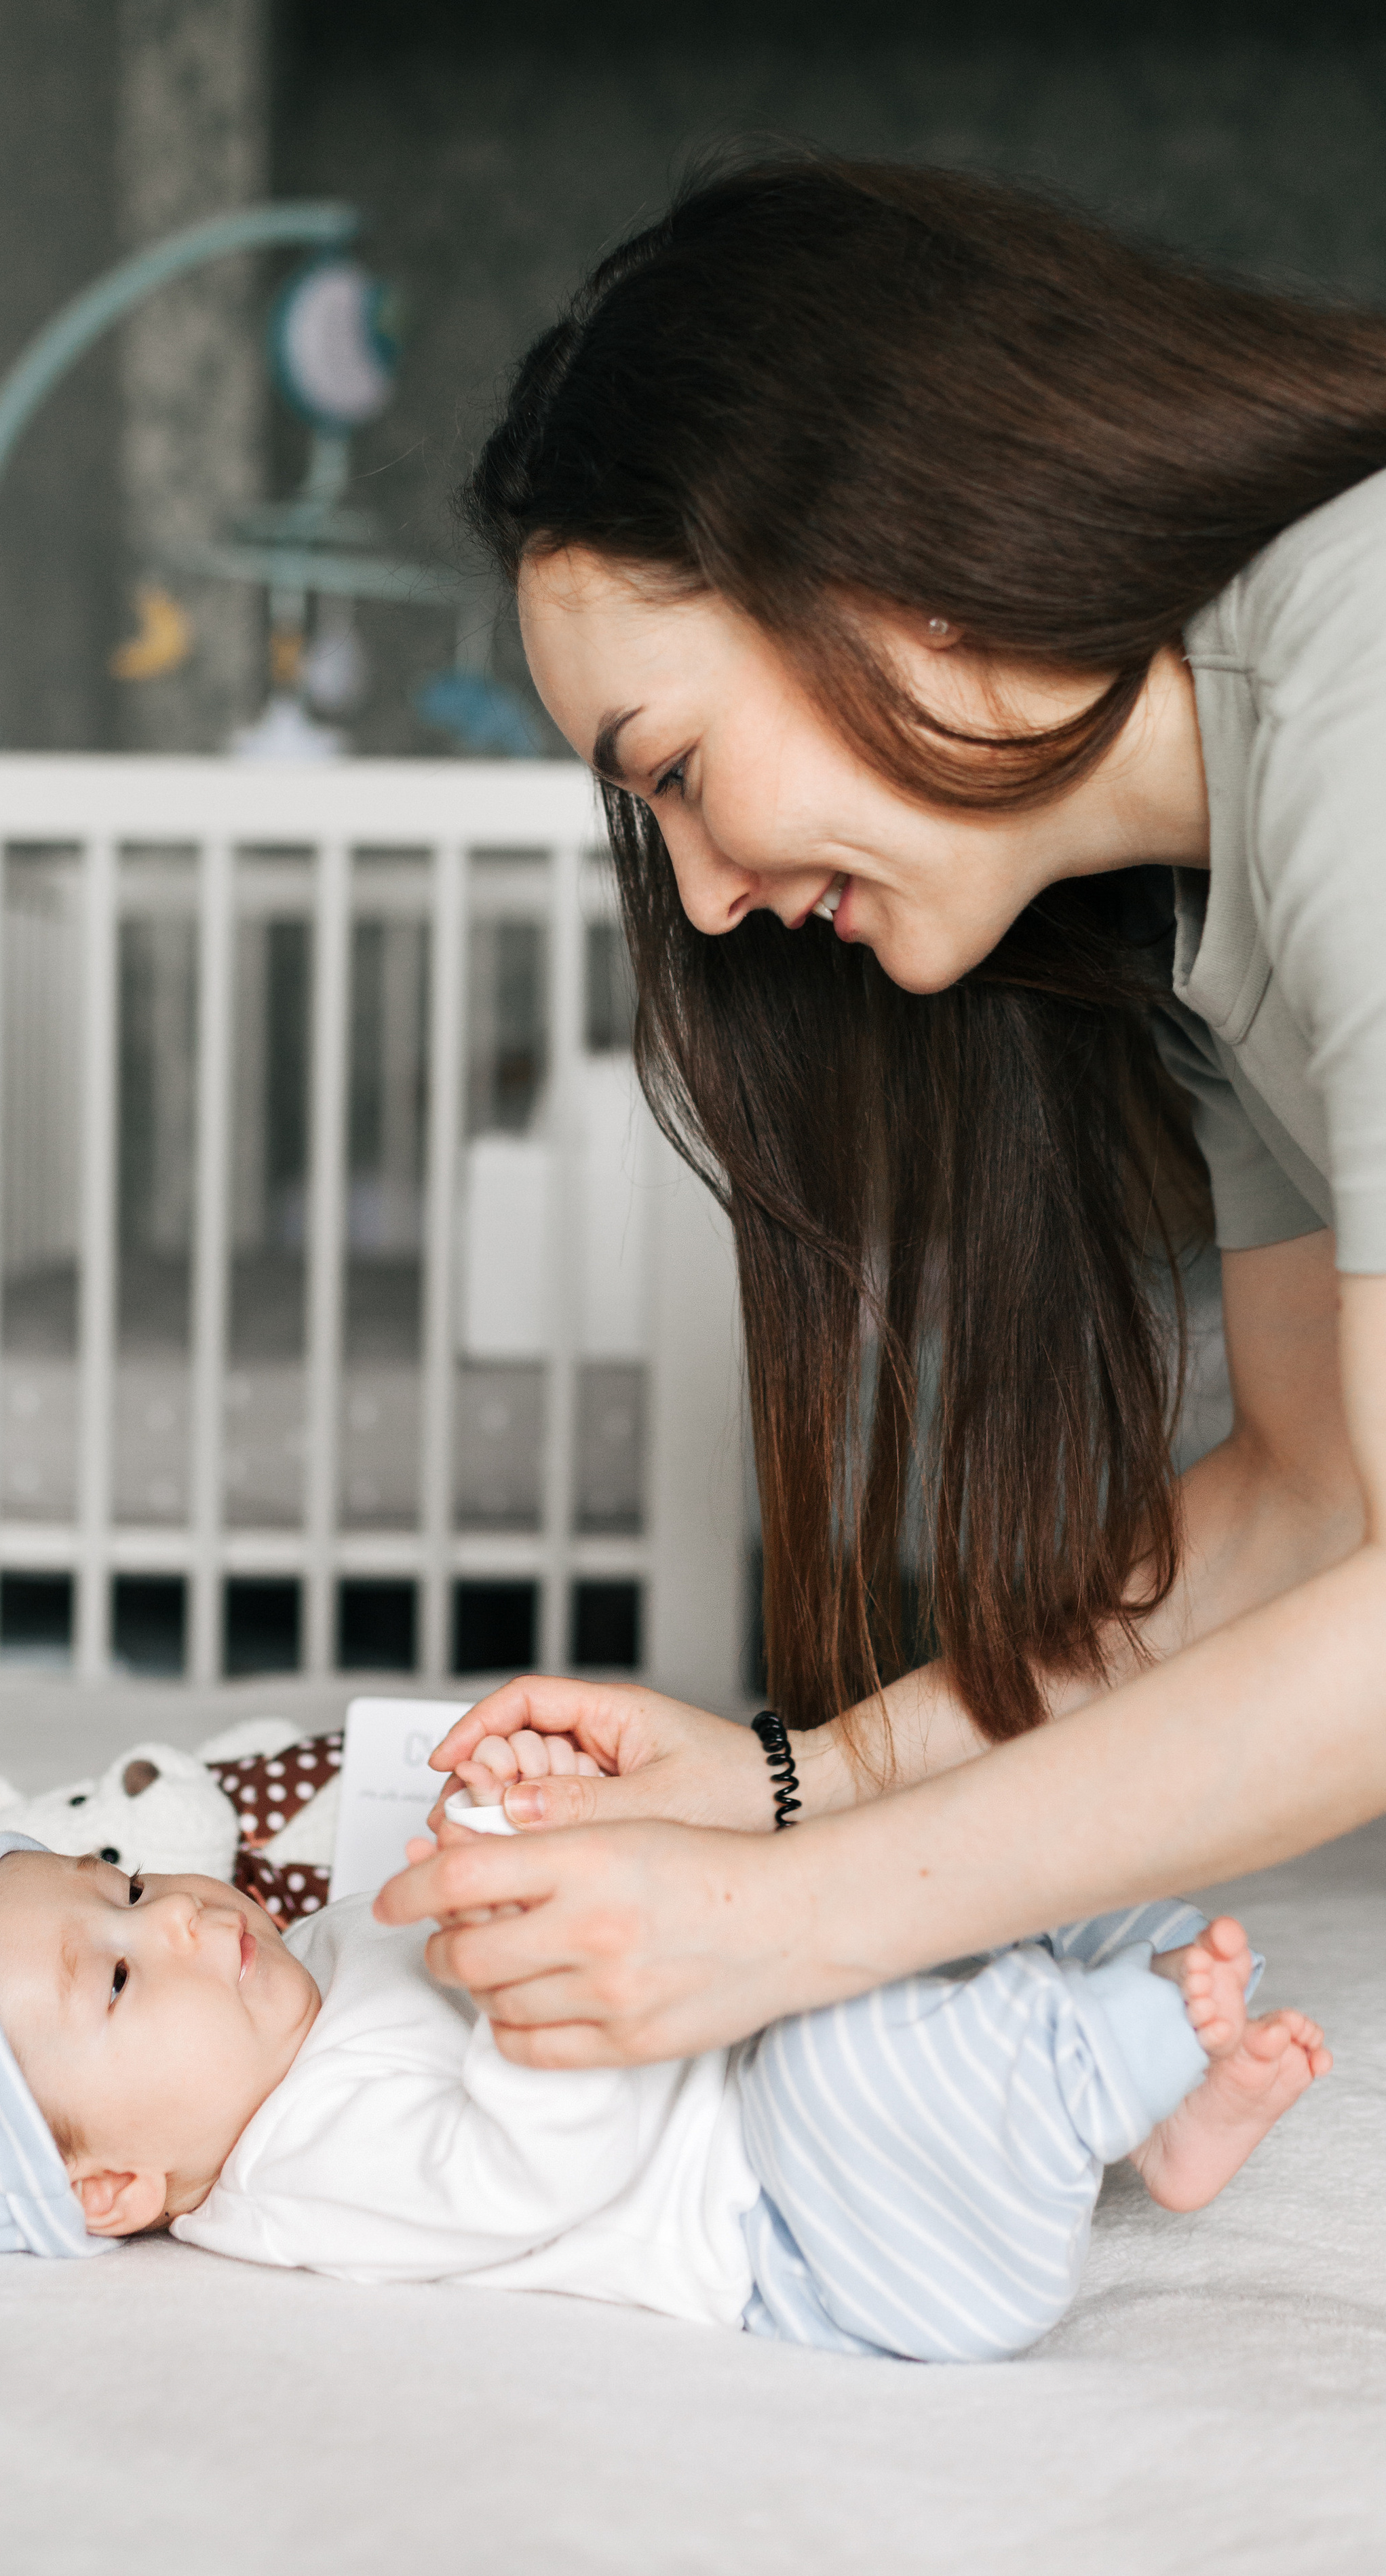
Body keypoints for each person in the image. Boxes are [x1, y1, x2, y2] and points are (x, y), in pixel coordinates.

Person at [372, 153, 1386, 2068]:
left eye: (672, 773)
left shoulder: (1365, 687)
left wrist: (784, 1927)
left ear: (888, 560)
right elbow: (1315, 1502)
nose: (700, 901)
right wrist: (799, 1784)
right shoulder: (1182, 908)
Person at [0, 1827, 1331, 2363]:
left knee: (972, 1864)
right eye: (111, 1977)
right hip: (828, 2239)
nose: (167, 1915)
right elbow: (549, 2167)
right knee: (856, 2054)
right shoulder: (298, 2174)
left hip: (765, 2061)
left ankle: (1160, 2100)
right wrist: (516, 1982)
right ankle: (1104, 2065)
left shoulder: (292, 1979)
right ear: (111, 2193)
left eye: (115, 1877)